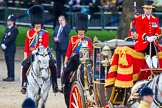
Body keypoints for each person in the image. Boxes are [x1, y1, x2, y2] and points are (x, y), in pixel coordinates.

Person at [21, 5, 59, 94]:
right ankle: (24, 84)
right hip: (31, 55)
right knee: (24, 67)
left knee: (53, 66)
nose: (37, 25)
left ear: (41, 23)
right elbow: (26, 46)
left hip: (42, 54)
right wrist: (25, 57)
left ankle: (55, 84)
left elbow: (45, 45)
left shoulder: (45, 33)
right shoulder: (29, 32)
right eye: (36, 23)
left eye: (39, 24)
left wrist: (39, 52)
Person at [61, 12, 93, 107]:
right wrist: (65, 62)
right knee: (66, 72)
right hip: (74, 61)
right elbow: (68, 52)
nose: (81, 31)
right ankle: (64, 85)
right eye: (79, 30)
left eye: (82, 30)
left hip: (85, 60)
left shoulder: (88, 40)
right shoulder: (72, 39)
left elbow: (90, 52)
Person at [134, 0, 161, 69]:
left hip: (153, 41)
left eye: (150, 9)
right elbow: (139, 30)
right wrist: (146, 37)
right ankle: (150, 68)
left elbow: (158, 30)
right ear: (144, 9)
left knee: (154, 54)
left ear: (152, 9)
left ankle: (155, 68)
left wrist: (155, 37)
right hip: (143, 42)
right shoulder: (139, 19)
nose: (148, 10)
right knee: (148, 53)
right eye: (147, 9)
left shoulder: (155, 19)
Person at [1, 14, 18, 82]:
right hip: (6, 48)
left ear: (13, 22)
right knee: (7, 61)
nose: (8, 22)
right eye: (8, 21)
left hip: (10, 48)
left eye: (10, 21)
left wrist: (5, 44)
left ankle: (11, 76)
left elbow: (11, 39)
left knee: (10, 62)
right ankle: (9, 75)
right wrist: (2, 43)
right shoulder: (7, 29)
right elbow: (4, 37)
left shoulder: (14, 29)